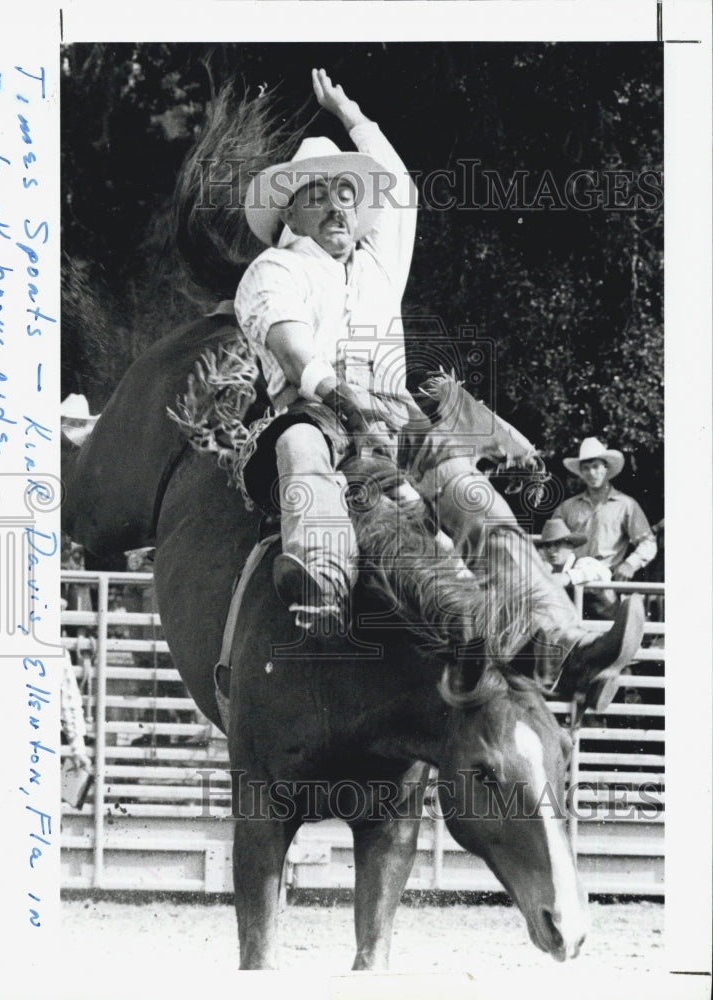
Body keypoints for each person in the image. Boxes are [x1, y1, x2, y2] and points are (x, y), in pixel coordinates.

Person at [233, 68, 644, 710]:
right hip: (320, 417)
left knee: (475, 500)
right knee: (311, 455)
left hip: (396, 428)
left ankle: (563, 646)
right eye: (318, 192)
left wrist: (356, 118)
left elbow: (399, 190)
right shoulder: (275, 269)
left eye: (346, 191)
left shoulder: (373, 263)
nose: (339, 203)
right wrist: (341, 393)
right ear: (289, 210)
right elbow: (291, 344)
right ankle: (320, 575)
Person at [552, 437, 657, 582]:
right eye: (586, 468)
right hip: (571, 581)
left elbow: (648, 541)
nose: (591, 473)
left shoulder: (625, 505)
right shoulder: (567, 507)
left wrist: (630, 564)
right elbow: (551, 540)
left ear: (606, 469)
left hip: (606, 582)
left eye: (596, 466)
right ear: (581, 473)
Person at [535, 518, 616, 618]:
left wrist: (567, 577)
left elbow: (602, 572)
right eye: (547, 545)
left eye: (557, 544)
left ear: (570, 546)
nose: (552, 550)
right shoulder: (549, 572)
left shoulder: (584, 563)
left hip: (605, 627)